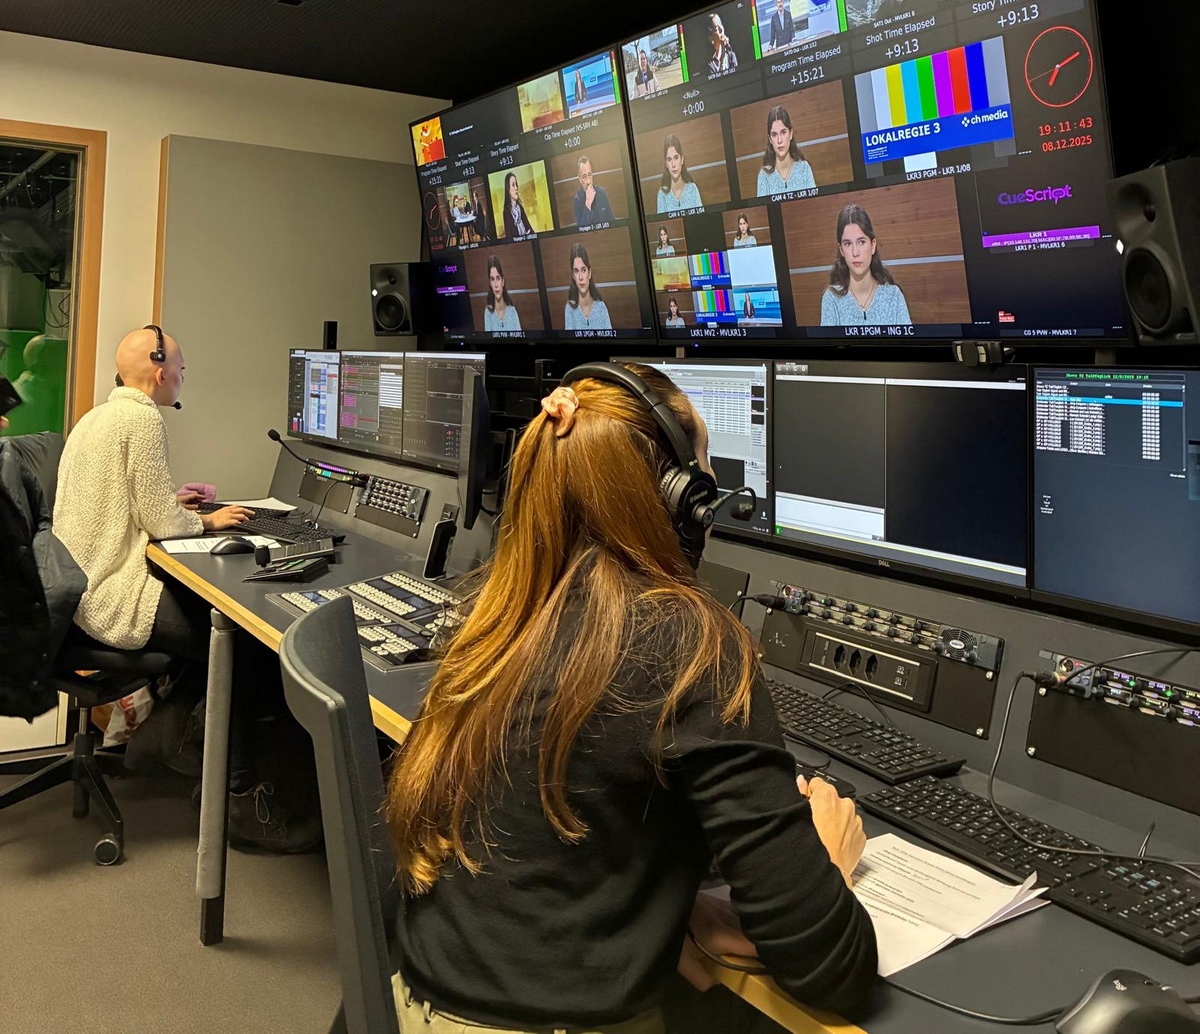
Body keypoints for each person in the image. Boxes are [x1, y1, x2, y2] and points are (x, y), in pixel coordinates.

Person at [384, 363, 877, 1032]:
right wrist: (829, 868)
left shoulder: (502, 615)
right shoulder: (688, 642)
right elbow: (832, 970)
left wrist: (672, 907)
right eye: (705, 476)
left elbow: (556, 832)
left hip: (415, 1003)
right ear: (682, 500)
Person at [52, 328, 321, 851]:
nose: (181, 375)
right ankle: (241, 800)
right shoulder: (142, 419)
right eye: (180, 367)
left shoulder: (97, 417)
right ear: (160, 371)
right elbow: (160, 521)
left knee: (210, 620)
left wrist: (173, 502)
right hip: (111, 597)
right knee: (240, 643)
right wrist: (210, 520)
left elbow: (122, 501)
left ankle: (169, 739)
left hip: (81, 589)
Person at [820, 204, 912, 326]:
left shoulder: (893, 296)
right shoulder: (831, 299)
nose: (855, 252)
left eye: (861, 242)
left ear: (873, 245)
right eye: (848, 244)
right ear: (841, 250)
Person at [757, 105, 816, 197]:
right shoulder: (764, 176)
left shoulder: (804, 169)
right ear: (770, 139)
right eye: (774, 134)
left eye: (783, 132)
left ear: (791, 134)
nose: (779, 140)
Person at [562, 242, 613, 330]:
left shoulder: (601, 307)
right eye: (576, 271)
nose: (580, 277)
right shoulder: (569, 309)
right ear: (573, 276)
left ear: (589, 273)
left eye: (583, 270)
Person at [656, 133, 702, 213]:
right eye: (669, 159)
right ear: (666, 164)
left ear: (682, 159)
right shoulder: (662, 195)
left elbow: (701, 218)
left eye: (676, 158)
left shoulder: (692, 189)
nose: (673, 164)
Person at [572, 155, 615, 229]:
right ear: (579, 179)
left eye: (589, 175)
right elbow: (582, 230)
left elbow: (612, 221)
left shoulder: (601, 192)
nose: (588, 181)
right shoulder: (577, 200)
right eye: (584, 177)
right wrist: (588, 203)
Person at [482, 254, 522, 332]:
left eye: (498, 278)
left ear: (502, 281)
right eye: (492, 279)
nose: (496, 285)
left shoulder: (512, 311)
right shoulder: (488, 312)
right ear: (490, 283)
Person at [502, 172, 536, 240]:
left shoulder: (520, 207)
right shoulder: (506, 212)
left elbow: (528, 227)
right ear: (508, 189)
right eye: (513, 185)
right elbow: (509, 238)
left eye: (516, 185)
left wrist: (534, 237)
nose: (516, 188)